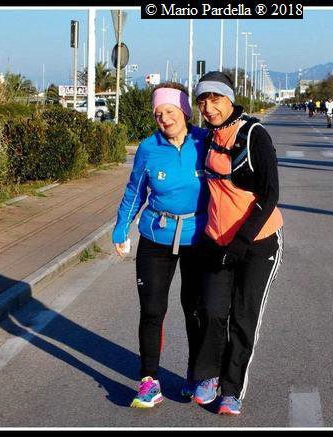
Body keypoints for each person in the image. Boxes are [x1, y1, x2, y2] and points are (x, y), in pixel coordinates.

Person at [190, 71, 284, 416]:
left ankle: (232, 390)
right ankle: (209, 375)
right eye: (202, 100)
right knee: (213, 311)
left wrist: (241, 241)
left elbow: (271, 194)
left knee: (244, 319)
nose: (208, 107)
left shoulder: (254, 135)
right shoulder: (208, 137)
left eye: (215, 99)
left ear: (230, 99)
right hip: (218, 242)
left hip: (258, 243)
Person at [112, 82, 209, 408]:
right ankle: (149, 380)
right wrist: (121, 228)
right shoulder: (148, 148)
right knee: (153, 309)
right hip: (157, 236)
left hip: (197, 236)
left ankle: (196, 374)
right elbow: (135, 191)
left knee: (195, 309)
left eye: (170, 111)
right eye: (158, 114)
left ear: (184, 111)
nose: (164, 119)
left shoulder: (205, 142)